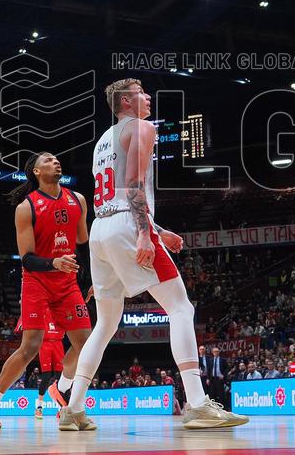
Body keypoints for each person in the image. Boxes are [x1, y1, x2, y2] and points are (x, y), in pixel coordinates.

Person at [60, 78, 247, 431]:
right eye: (142, 93)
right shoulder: (143, 127)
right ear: (127, 101)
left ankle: (72, 409)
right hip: (128, 227)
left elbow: (114, 194)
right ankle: (197, 403)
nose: (148, 98)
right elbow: (131, 184)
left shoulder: (103, 140)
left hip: (101, 231)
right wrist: (146, 234)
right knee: (181, 307)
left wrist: (159, 230)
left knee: (106, 324)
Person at [0, 153, 92, 429]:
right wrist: (55, 262)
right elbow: (26, 258)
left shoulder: (78, 200)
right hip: (37, 281)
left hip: (67, 281)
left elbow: (84, 245)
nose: (56, 162)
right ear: (37, 171)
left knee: (86, 343)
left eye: (56, 159)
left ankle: (62, 390)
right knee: (30, 348)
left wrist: (89, 282)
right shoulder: (26, 208)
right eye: (49, 160)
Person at [34, 320, 65, 419]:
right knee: (46, 376)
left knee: (60, 378)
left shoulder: (59, 309)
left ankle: (61, 408)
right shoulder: (43, 308)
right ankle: (39, 407)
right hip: (45, 343)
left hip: (58, 343)